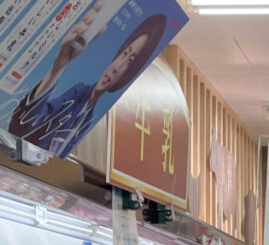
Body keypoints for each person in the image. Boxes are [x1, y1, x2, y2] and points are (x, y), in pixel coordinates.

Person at [9, 11, 167, 156]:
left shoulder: (88, 120)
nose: (116, 68)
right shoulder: (78, 94)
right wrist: (57, 69)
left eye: (129, 62)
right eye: (124, 53)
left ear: (128, 76)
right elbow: (25, 125)